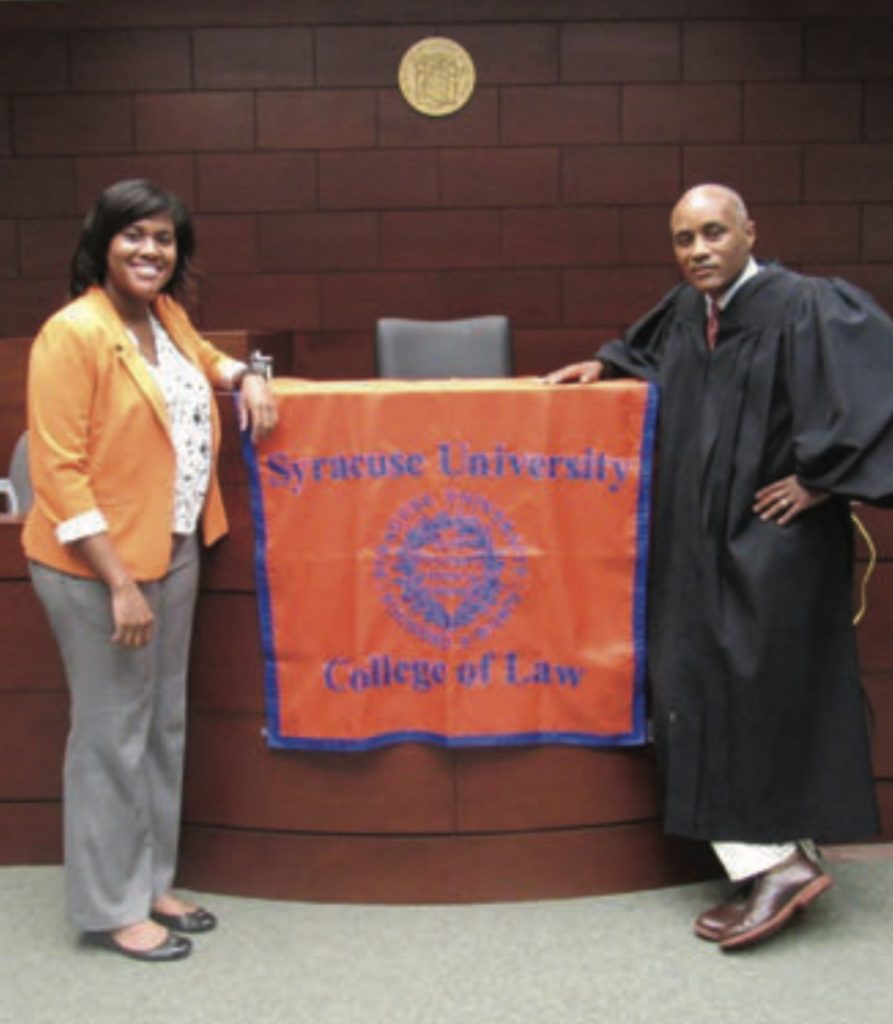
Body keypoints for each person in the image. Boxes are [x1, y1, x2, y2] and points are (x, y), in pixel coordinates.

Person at [548, 183, 892, 951]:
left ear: (747, 234)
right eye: (681, 238)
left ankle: (773, 865)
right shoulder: (685, 312)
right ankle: (775, 856)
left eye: (711, 233)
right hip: (696, 546)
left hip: (775, 549)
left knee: (753, 690)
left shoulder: (808, 306)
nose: (697, 250)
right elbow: (640, 353)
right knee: (693, 685)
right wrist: (603, 370)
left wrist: (821, 480)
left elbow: (879, 395)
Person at [23, 179, 278, 962]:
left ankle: (149, 879)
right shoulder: (72, 333)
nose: (150, 251)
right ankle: (108, 906)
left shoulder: (163, 316)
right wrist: (120, 583)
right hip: (96, 567)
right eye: (134, 236)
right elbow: (59, 472)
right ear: (102, 242)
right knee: (109, 732)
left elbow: (206, 359)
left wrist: (249, 373)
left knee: (161, 726)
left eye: (164, 239)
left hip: (173, 545)